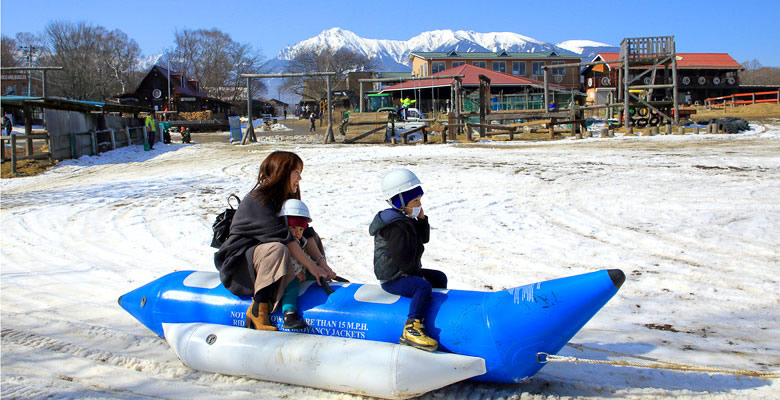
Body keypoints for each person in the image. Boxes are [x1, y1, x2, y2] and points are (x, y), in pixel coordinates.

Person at [215, 151, 336, 331]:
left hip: (270, 259)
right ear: (283, 173)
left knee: (306, 235)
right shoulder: (257, 200)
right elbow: (284, 238)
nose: (300, 178)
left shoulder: (287, 198)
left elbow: (306, 232)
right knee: (277, 248)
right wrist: (310, 265)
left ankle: (309, 281)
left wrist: (321, 264)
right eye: (296, 172)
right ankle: (259, 309)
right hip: (241, 265)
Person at [368, 168, 447, 352]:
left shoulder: (407, 218)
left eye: (420, 200)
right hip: (394, 278)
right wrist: (418, 276)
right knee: (422, 286)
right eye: (415, 201)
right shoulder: (395, 226)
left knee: (439, 278)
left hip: (406, 271)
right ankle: (412, 328)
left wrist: (421, 220)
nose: (420, 204)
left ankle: (437, 315)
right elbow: (401, 259)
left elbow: (423, 238)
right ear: (400, 202)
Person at [277, 198, 320, 330]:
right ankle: (289, 313)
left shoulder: (301, 241)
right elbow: (289, 260)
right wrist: (297, 272)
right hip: (289, 274)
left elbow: (305, 257)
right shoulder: (283, 242)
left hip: (302, 271)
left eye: (301, 229)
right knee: (292, 287)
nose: (297, 232)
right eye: (293, 227)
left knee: (316, 279)